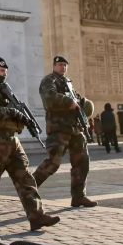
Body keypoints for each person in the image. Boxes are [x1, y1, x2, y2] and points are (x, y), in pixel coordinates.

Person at [0, 56, 60, 231]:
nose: (5, 74)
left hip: (12, 141)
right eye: (1, 71)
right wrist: (15, 113)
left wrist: (22, 116)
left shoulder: (3, 91)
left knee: (26, 179)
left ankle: (37, 216)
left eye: (6, 72)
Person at [33, 56, 97, 208]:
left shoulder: (68, 83)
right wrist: (69, 103)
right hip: (58, 128)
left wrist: (84, 105)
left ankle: (79, 196)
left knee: (82, 162)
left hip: (75, 128)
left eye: (65, 65)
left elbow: (78, 101)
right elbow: (49, 98)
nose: (62, 67)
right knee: (52, 163)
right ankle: (27, 190)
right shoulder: (49, 81)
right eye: (60, 64)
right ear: (54, 66)